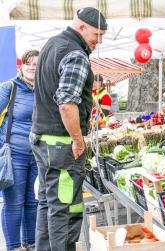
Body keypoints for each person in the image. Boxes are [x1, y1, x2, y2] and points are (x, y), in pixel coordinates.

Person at [30, 7, 107, 251]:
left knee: (48, 203)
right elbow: (66, 103)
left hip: (43, 139)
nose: (99, 41)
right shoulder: (75, 54)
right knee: (63, 208)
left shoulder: (52, 44)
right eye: (97, 34)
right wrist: (78, 140)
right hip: (61, 144)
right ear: (81, 27)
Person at [0, 49, 39, 251]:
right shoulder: (9, 88)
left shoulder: (43, 90)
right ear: (21, 67)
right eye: (28, 63)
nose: (32, 67)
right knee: (14, 203)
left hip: (38, 156)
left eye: (36, 63)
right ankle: (14, 247)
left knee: (33, 203)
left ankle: (31, 243)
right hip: (14, 155)